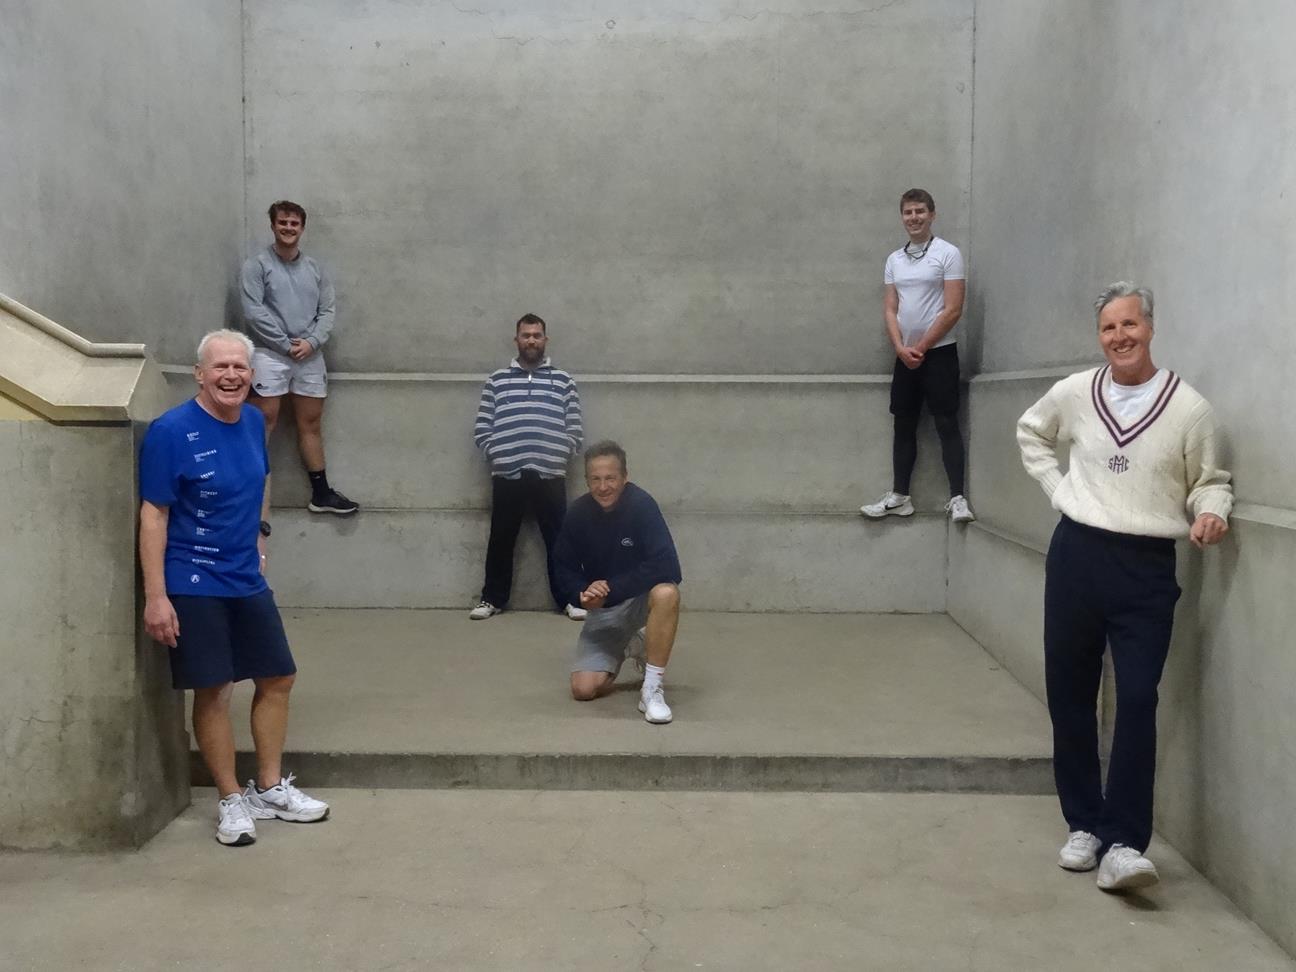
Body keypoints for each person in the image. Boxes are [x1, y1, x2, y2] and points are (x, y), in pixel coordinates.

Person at [1016, 282, 1232, 892]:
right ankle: (1083, 824)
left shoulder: (1190, 409)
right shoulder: (1076, 393)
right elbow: (1031, 433)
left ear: (1151, 327)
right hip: (1077, 556)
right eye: (1109, 328)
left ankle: (1125, 843)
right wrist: (1059, 491)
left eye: (1130, 325)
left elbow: (1211, 478)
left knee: (1137, 699)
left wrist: (1212, 510)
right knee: (1070, 693)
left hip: (1145, 567)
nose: (1120, 337)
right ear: (1100, 335)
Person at [139, 329, 330, 847]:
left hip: (244, 575)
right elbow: (154, 513)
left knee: (277, 677)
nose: (231, 376)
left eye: (239, 368)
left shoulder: (251, 421)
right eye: (220, 367)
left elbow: (260, 481)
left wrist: (261, 536)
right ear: (200, 374)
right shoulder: (170, 431)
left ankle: (268, 788)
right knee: (215, 687)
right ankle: (230, 800)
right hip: (193, 580)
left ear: (252, 375)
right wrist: (157, 596)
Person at [861, 188, 974, 524]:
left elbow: (954, 309)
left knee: (946, 422)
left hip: (938, 354)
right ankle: (899, 497)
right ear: (902, 217)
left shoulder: (948, 253)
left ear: (932, 214)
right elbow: (890, 307)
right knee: (904, 424)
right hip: (905, 357)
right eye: (908, 212)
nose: (914, 218)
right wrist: (900, 348)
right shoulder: (894, 260)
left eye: (920, 211)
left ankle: (957, 498)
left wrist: (922, 346)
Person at [241, 199, 358, 515]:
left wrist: (312, 342)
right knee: (262, 422)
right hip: (269, 355)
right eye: (283, 223)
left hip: (309, 355)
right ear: (273, 225)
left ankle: (321, 494)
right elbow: (254, 311)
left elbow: (328, 310)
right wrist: (283, 343)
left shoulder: (315, 269)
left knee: (310, 423)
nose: (288, 228)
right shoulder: (257, 266)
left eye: (294, 224)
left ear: (302, 228)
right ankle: (246, 496)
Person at [553, 441, 683, 724]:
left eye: (610, 478)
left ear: (625, 477)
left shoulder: (642, 505)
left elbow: (668, 566)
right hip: (604, 610)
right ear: (587, 481)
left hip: (638, 601)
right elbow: (562, 568)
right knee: (583, 690)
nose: (603, 487)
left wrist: (611, 589)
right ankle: (633, 644)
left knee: (667, 592)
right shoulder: (577, 514)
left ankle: (652, 688)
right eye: (595, 479)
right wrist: (582, 594)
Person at [470, 313, 585, 620]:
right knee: (501, 538)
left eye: (536, 335)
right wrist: (498, 452)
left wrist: (561, 451)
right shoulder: (497, 380)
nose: (531, 340)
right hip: (508, 472)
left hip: (550, 472)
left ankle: (570, 600)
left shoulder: (563, 381)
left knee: (560, 541)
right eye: (525, 335)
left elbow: (575, 429)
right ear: (516, 340)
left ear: (545, 340)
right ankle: (491, 599)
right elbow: (482, 428)